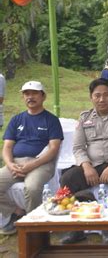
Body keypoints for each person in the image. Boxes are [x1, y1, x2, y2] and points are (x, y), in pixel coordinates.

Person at [59, 78, 108, 244]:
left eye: (106, 95)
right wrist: (86, 167)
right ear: (91, 97)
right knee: (67, 179)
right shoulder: (84, 118)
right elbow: (78, 148)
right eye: (97, 95)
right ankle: (76, 230)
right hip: (92, 165)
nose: (102, 99)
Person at [0, 81, 63, 235]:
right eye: (27, 94)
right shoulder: (16, 120)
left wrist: (31, 165)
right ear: (23, 97)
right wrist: (10, 164)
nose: (30, 97)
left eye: (34, 93)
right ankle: (16, 212)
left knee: (32, 188)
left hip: (41, 162)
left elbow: (54, 149)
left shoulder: (51, 120)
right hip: (16, 163)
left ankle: (33, 227)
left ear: (43, 96)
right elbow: (7, 147)